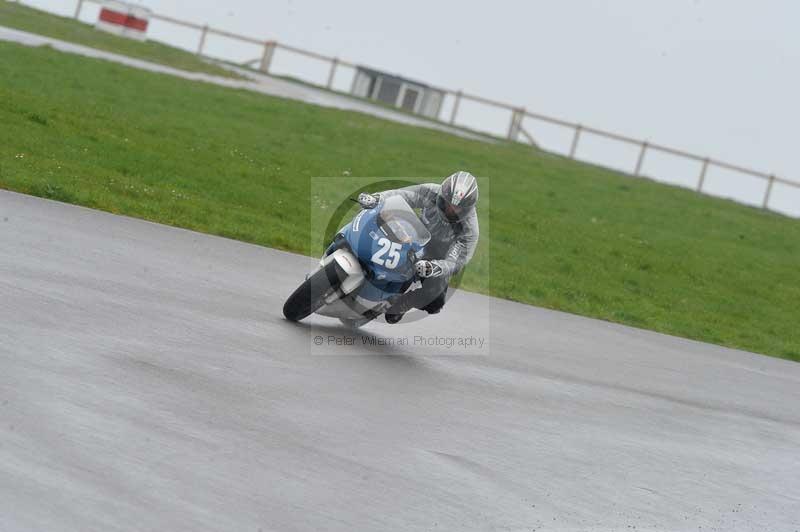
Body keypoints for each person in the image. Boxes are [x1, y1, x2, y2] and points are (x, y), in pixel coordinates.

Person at [357, 171, 480, 324]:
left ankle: (405, 301)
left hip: (439, 255)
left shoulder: (470, 230)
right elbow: (401, 195)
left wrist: (435, 268)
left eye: (457, 208)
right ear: (442, 195)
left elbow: (456, 262)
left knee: (436, 301)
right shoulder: (430, 192)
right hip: (415, 234)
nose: (450, 210)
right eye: (448, 203)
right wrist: (377, 198)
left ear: (467, 209)